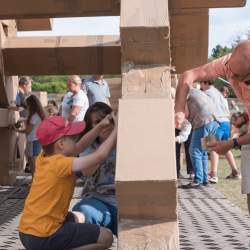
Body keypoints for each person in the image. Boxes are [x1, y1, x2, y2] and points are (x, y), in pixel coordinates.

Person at [18, 115, 117, 250]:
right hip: (44, 236)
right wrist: (117, 128)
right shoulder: (61, 164)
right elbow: (100, 156)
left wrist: (100, 126)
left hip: (27, 232)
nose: (76, 141)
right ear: (61, 144)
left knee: (80, 218)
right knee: (106, 237)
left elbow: (79, 146)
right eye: (72, 138)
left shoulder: (44, 158)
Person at [175, 40, 250, 213]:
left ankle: (202, 177)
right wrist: (179, 109)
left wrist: (233, 143)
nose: (233, 80)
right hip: (216, 123)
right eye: (231, 72)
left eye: (244, 79)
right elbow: (188, 75)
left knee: (196, 149)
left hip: (208, 124)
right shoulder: (229, 64)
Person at [73, 102, 117, 235]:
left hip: (125, 201)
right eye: (97, 122)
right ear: (91, 126)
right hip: (98, 199)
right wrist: (114, 132)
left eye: (107, 118)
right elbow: (87, 171)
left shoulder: (127, 141)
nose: (104, 124)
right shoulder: (88, 145)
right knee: (82, 211)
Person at [200, 80, 240, 183]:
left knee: (213, 147)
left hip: (217, 122)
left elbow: (204, 109)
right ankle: (235, 172)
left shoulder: (207, 93)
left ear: (205, 83)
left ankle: (213, 174)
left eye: (201, 83)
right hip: (226, 122)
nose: (200, 86)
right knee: (225, 148)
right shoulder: (219, 94)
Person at [181, 88, 218, 188]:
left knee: (194, 150)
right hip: (213, 121)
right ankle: (205, 179)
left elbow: (186, 114)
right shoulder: (195, 91)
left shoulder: (183, 95)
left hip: (202, 122)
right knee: (203, 152)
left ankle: (198, 180)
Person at [13, 95, 45, 174]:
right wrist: (24, 120)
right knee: (33, 159)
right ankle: (35, 180)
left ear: (31, 105)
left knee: (32, 161)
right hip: (37, 139)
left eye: (28, 104)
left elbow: (28, 130)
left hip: (32, 140)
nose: (27, 106)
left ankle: (34, 181)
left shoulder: (34, 116)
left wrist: (17, 130)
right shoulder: (39, 114)